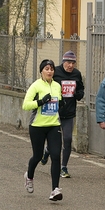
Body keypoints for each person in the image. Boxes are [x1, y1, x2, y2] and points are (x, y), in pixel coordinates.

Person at [22, 59, 64, 201]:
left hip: (53, 125)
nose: (50, 71)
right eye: (46, 69)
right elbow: (26, 105)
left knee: (56, 155)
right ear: (41, 71)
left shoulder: (57, 86)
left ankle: (55, 189)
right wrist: (40, 102)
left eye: (51, 69)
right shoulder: (36, 86)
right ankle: (29, 176)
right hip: (37, 126)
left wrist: (61, 103)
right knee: (38, 156)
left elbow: (59, 102)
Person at [40, 50, 84, 178]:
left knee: (68, 139)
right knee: (56, 141)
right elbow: (45, 84)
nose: (70, 65)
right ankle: (47, 150)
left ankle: (63, 167)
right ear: (63, 62)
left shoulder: (77, 74)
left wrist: (78, 94)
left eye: (73, 63)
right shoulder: (56, 72)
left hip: (69, 112)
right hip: (54, 112)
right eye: (68, 62)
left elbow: (81, 89)